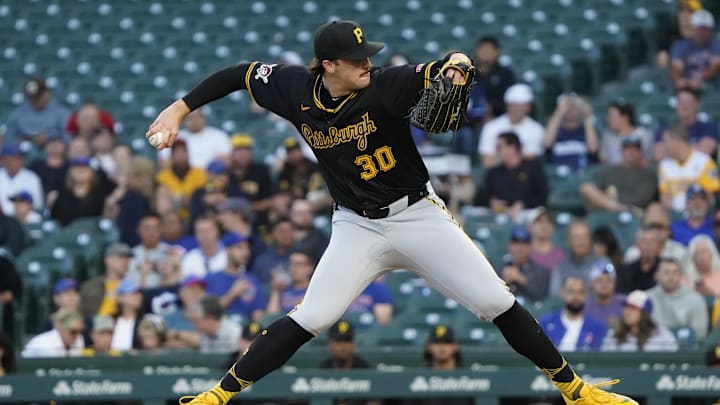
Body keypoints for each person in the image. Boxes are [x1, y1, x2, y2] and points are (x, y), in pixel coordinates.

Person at [148, 20, 637, 405]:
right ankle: (218, 394)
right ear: (328, 65)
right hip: (356, 225)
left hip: (415, 215)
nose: (367, 62)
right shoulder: (294, 88)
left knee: (494, 301)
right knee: (314, 314)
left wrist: (457, 64)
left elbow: (442, 65)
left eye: (368, 55)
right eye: (357, 58)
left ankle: (575, 390)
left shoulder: (385, 86)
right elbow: (240, 73)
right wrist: (178, 110)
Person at [580, 137, 658, 213]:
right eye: (627, 149)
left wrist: (611, 199)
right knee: (586, 188)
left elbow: (641, 199)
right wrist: (613, 204)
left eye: (635, 149)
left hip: (634, 211)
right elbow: (597, 192)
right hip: (609, 209)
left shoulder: (648, 174)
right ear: (621, 152)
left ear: (640, 152)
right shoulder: (610, 171)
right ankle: (617, 208)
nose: (631, 152)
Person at [484, 132, 548, 221]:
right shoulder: (494, 172)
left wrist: (523, 204)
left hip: (527, 214)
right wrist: (492, 202)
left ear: (512, 148)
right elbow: (484, 197)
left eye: (499, 147)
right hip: (500, 214)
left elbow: (542, 197)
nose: (497, 151)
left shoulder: (533, 169)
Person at [405, 325, 474, 405]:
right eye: (437, 342)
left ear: (455, 346)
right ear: (429, 347)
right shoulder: (419, 378)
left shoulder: (468, 376)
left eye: (447, 342)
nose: (442, 347)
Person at [479, 84, 544, 167]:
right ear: (510, 105)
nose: (526, 109)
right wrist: (517, 155)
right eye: (522, 105)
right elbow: (487, 162)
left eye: (528, 105)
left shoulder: (537, 129)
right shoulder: (491, 127)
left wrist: (502, 155)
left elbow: (533, 158)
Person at [205, 232, 266, 321]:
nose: (246, 252)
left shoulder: (252, 280)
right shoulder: (211, 278)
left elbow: (258, 314)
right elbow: (208, 314)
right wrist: (233, 294)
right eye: (240, 247)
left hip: (246, 329)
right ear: (227, 250)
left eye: (247, 248)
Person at [658, 123, 719, 212]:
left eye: (666, 141)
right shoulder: (664, 165)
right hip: (675, 215)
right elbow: (664, 197)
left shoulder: (704, 161)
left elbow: (710, 194)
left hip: (702, 214)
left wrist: (693, 208)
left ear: (677, 141)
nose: (664, 146)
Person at [540, 276, 606, 351]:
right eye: (571, 292)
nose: (576, 297)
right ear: (562, 293)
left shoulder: (597, 327)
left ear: (586, 295)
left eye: (580, 292)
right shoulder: (546, 323)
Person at [647, 258, 708, 339]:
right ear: (657, 275)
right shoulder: (647, 298)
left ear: (681, 276)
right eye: (666, 272)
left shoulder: (695, 299)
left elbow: (700, 333)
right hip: (653, 346)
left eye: (675, 272)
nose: (670, 276)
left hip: (686, 347)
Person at [601, 290, 678, 352]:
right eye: (626, 307)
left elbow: (673, 361)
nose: (627, 312)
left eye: (633, 308)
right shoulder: (614, 335)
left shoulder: (662, 335)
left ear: (644, 313)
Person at [158, 108, 231, 170]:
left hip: (211, 176)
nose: (194, 121)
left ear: (204, 118)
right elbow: (164, 162)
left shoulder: (218, 135)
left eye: (197, 117)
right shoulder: (174, 136)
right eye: (190, 118)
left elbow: (226, 160)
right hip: (182, 179)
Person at [657, 87, 719, 159]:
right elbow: (659, 154)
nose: (684, 105)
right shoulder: (666, 128)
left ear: (697, 104)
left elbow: (705, 151)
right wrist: (695, 147)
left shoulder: (709, 127)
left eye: (688, 101)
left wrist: (672, 148)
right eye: (680, 101)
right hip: (672, 169)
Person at [4, 77, 70, 144]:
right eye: (31, 98)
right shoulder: (17, 114)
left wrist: (50, 136)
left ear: (47, 94)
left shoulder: (60, 113)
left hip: (53, 149)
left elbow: (68, 138)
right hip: (23, 151)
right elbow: (9, 138)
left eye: (38, 97)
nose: (34, 101)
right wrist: (27, 138)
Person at [543, 93, 599, 172]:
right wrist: (558, 113)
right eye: (566, 106)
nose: (570, 109)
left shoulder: (586, 130)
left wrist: (587, 116)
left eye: (573, 106)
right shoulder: (555, 132)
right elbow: (547, 143)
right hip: (558, 178)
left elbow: (593, 149)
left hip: (581, 176)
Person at [226, 133, 274, 220]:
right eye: (238, 150)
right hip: (228, 216)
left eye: (246, 150)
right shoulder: (225, 172)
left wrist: (247, 208)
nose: (242, 154)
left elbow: (270, 200)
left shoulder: (261, 171)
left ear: (251, 152)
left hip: (256, 216)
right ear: (232, 153)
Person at [155, 140, 208, 219]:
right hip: (172, 216)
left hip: (196, 215)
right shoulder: (162, 176)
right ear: (172, 156)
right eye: (177, 153)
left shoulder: (201, 174)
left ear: (188, 154)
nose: (180, 156)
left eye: (183, 152)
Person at [623, 203, 688, 266]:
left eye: (660, 228)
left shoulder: (680, 252)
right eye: (651, 227)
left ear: (669, 231)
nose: (656, 232)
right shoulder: (633, 253)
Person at [50, 157, 108, 226]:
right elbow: (55, 222)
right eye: (77, 168)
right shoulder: (62, 196)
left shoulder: (100, 195)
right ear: (70, 172)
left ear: (92, 173)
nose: (80, 171)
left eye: (84, 168)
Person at [670, 9, 720, 90]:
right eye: (698, 28)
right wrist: (679, 80)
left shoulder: (717, 44)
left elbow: (716, 66)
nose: (701, 32)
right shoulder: (681, 45)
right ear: (693, 28)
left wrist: (699, 79)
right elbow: (676, 67)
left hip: (711, 86)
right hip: (686, 87)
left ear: (711, 30)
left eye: (705, 29)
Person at [549, 221, 602, 297]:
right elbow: (555, 296)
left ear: (590, 240)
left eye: (585, 236)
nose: (581, 241)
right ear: (568, 241)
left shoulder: (602, 263)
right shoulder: (560, 266)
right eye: (576, 237)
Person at [79, 242, 132, 317]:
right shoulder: (91, 286)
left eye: (127, 258)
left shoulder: (133, 286)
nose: (125, 262)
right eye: (121, 257)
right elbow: (83, 312)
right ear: (107, 260)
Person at [500, 227, 550, 302]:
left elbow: (543, 298)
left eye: (524, 244)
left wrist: (521, 279)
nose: (520, 248)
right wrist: (503, 283)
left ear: (530, 247)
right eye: (516, 244)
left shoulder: (541, 271)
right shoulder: (500, 269)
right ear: (509, 245)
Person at [600, 100, 654, 165]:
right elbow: (604, 161)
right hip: (615, 173)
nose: (607, 119)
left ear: (625, 118)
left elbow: (649, 161)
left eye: (611, 116)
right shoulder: (607, 137)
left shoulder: (644, 135)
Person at [0, 142, 44, 215]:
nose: (19, 160)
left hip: (26, 220)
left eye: (21, 157)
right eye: (14, 157)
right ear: (4, 159)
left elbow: (38, 206)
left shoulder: (32, 177)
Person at [266, 250, 315, 315]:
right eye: (292, 264)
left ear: (310, 268)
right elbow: (272, 316)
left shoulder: (314, 291)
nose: (294, 269)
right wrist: (276, 291)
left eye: (298, 264)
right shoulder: (282, 289)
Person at [249, 217, 295, 283]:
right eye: (281, 231)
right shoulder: (261, 261)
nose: (285, 235)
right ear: (273, 234)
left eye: (289, 231)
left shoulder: (302, 258)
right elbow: (255, 286)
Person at [618, 227, 663, 293]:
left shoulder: (666, 270)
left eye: (652, 241)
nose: (648, 246)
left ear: (659, 246)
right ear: (637, 245)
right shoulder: (625, 271)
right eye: (644, 241)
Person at [584, 261, 625, 329]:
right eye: (599, 280)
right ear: (591, 283)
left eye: (609, 280)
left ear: (615, 283)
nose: (604, 284)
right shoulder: (582, 304)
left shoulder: (624, 303)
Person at [28, 136, 68, 205]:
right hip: (38, 202)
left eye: (58, 144)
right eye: (52, 144)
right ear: (46, 146)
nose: (55, 147)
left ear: (64, 146)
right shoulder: (35, 166)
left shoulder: (70, 167)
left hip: (64, 203)